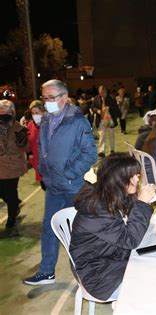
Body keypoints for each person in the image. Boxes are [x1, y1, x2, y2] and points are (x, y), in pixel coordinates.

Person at [23, 79, 98, 285]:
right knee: (49, 228)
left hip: (72, 185)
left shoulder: (77, 121)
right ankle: (47, 271)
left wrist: (69, 172)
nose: (46, 102)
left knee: (78, 231)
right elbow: (42, 146)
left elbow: (91, 153)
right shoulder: (46, 119)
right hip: (53, 185)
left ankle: (86, 274)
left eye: (51, 98)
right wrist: (43, 171)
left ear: (64, 98)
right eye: (44, 98)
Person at [70, 153, 156, 300]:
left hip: (112, 258)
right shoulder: (97, 209)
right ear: (118, 180)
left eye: (137, 174)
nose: (137, 179)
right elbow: (130, 240)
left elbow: (128, 224)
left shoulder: (112, 194)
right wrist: (141, 204)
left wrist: (138, 202)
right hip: (98, 275)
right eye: (133, 176)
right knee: (154, 286)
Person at [0, 100, 28, 231]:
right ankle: (15, 204)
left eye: (4, 111)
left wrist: (21, 142)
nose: (2, 113)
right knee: (2, 192)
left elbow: (25, 148)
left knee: (10, 192)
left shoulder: (18, 128)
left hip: (12, 165)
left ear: (11, 112)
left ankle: (12, 216)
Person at [92, 85, 121, 158]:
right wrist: (97, 110)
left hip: (110, 120)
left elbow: (116, 108)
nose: (101, 94)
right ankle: (101, 151)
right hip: (101, 120)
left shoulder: (111, 98)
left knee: (111, 135)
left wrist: (109, 109)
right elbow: (93, 107)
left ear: (106, 91)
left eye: (102, 93)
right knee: (102, 135)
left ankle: (112, 150)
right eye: (100, 93)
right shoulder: (96, 98)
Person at [26, 100, 46, 190]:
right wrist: (30, 155)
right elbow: (28, 143)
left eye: (37, 113)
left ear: (44, 112)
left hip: (53, 166)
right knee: (45, 188)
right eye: (33, 113)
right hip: (39, 165)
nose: (35, 115)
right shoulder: (30, 125)